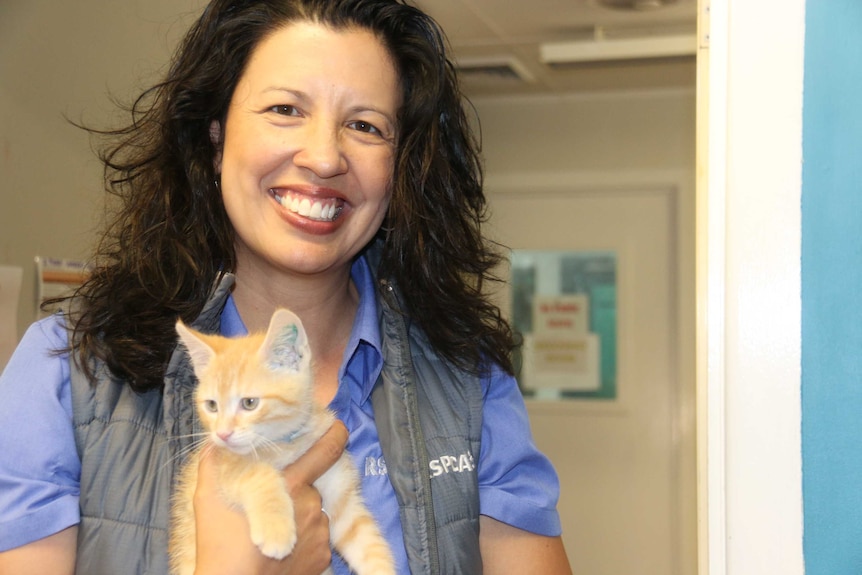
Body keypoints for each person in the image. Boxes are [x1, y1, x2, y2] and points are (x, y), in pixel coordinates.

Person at [0, 0, 572, 573]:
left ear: (399, 168)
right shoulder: (64, 371)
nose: (324, 158)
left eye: (365, 126)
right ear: (216, 139)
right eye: (284, 109)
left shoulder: (470, 382)